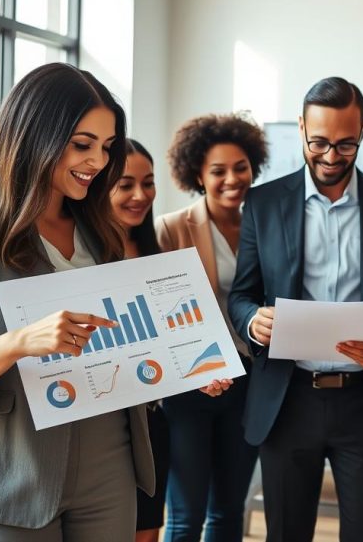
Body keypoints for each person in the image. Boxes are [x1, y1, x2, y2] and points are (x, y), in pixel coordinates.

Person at [0, 62, 156, 541]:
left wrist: (189, 367)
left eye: (106, 147)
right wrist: (19, 342)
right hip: (8, 471)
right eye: (82, 144)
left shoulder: (101, 232)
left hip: (109, 463)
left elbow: (121, 345)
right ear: (34, 135)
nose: (98, 162)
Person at [227, 77, 363, 542]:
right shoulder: (263, 202)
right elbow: (241, 295)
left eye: (345, 144)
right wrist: (251, 322)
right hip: (287, 397)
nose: (331, 157)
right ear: (300, 129)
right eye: (318, 142)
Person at [154, 113, 268, 542]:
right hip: (191, 385)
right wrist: (193, 369)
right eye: (218, 170)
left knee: (227, 512)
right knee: (185, 516)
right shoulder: (170, 229)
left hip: (251, 382)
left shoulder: (267, 225)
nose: (232, 179)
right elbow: (157, 314)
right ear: (197, 174)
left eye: (240, 167)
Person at [110, 138, 172, 542]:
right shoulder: (82, 255)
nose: (140, 195)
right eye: (126, 184)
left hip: (151, 416)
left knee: (148, 530)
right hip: (105, 422)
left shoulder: (158, 253)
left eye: (148, 183)